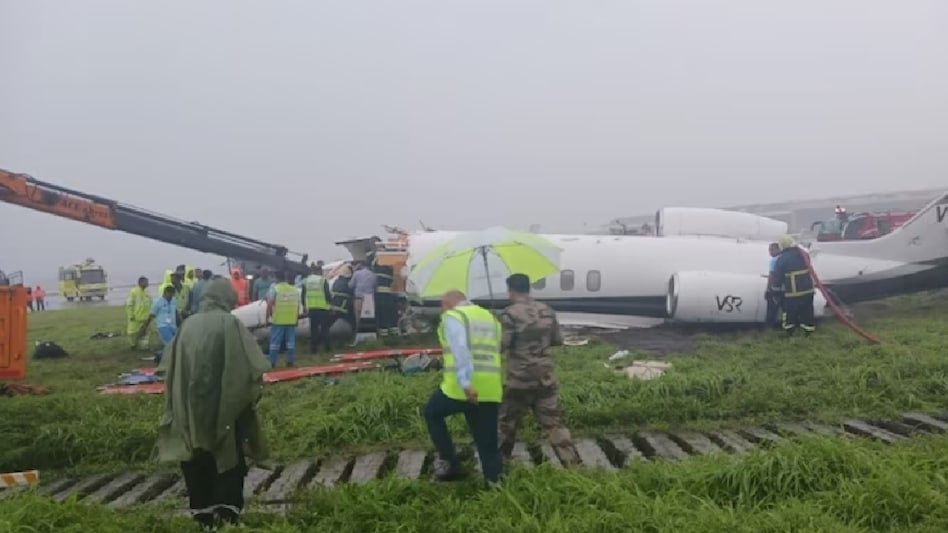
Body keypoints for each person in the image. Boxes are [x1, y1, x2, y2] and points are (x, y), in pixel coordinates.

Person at [156, 278, 270, 529]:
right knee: (227, 453)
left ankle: (202, 513)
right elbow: (249, 368)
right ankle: (227, 513)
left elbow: (169, 367)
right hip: (222, 406)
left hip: (189, 406)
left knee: (195, 453)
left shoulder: (187, 324)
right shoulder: (230, 323)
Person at [497, 274, 580, 466]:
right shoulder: (547, 310)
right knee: (554, 423)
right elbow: (557, 340)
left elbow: (502, 345)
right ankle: (572, 463)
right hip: (545, 376)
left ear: (510, 290)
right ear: (528, 288)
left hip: (519, 378)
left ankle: (500, 465)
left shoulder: (510, 314)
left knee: (507, 423)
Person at [424, 290, 503, 487]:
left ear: (447, 304)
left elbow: (461, 350)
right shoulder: (490, 317)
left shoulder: (453, 317)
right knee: (487, 441)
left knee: (432, 413)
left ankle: (450, 462)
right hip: (490, 388)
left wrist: (466, 382)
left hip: (461, 389)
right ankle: (494, 484)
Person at [772, 235, 816, 336]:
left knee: (789, 312)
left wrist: (775, 292)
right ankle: (808, 332)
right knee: (807, 310)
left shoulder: (782, 259)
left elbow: (777, 277)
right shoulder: (803, 253)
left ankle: (789, 332)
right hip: (808, 288)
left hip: (793, 291)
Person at [266, 271, 299, 368]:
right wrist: (296, 318)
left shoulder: (275, 289)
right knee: (290, 342)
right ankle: (290, 361)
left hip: (279, 320)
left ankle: (272, 362)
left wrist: (267, 317)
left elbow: (269, 304)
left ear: (276, 278)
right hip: (291, 319)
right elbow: (297, 305)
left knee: (275, 342)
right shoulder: (294, 289)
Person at [141, 285, 180, 363]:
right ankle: (167, 359)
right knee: (170, 344)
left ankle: (160, 354)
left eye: (173, 295)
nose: (171, 297)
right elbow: (151, 315)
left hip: (173, 326)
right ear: (165, 293)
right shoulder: (158, 302)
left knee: (177, 343)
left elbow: (176, 312)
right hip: (163, 326)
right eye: (170, 295)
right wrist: (145, 327)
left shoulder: (174, 300)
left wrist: (181, 321)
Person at [301, 264, 333, 353]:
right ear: (319, 271)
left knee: (313, 329)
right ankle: (327, 347)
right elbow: (327, 294)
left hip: (312, 308)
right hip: (323, 308)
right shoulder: (322, 280)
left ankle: (313, 348)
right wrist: (331, 304)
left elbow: (303, 295)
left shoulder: (306, 280)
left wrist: (304, 306)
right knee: (324, 328)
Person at [347, 261, 377, 345]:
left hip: (359, 299)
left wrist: (354, 271)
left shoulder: (357, 273)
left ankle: (358, 339)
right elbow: (375, 286)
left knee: (358, 319)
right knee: (369, 319)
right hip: (369, 299)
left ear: (361, 265)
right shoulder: (373, 275)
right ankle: (370, 338)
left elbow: (350, 285)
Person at [371, 253, 399, 341]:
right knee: (391, 314)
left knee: (381, 314)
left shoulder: (376, 271)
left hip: (379, 295)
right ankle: (394, 334)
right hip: (389, 295)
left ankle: (383, 336)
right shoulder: (389, 271)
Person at [126, 277, 153, 350]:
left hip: (145, 317)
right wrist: (131, 315)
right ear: (140, 282)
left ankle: (144, 346)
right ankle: (133, 345)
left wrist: (150, 314)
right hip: (135, 317)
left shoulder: (147, 292)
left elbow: (151, 302)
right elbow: (129, 304)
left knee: (145, 332)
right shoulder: (133, 292)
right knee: (132, 333)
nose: (147, 283)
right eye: (146, 282)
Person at [331, 264, 355, 335]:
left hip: (334, 307)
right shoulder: (347, 284)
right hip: (344, 309)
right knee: (352, 320)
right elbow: (352, 293)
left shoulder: (336, 282)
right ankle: (353, 335)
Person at [764, 242, 784, 329]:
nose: (770, 252)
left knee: (772, 309)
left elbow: (771, 276)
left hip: (775, 289)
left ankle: (769, 327)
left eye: (772, 250)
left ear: (778, 249)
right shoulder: (784, 259)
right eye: (769, 250)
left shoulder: (774, 260)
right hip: (785, 289)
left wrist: (768, 289)